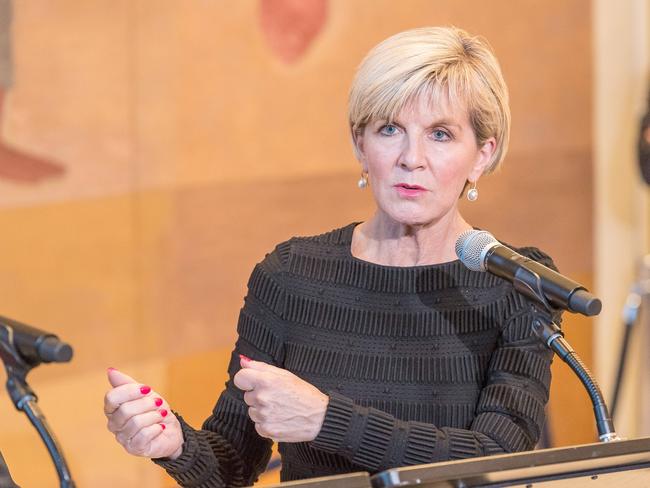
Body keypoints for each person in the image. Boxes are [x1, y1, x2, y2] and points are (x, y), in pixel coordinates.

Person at [104, 26, 560, 486]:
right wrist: (174, 444)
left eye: (440, 134)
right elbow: (233, 462)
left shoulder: (518, 283)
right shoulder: (290, 275)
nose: (411, 158)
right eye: (390, 129)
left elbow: (498, 458)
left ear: (482, 154)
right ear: (360, 144)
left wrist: (327, 420)